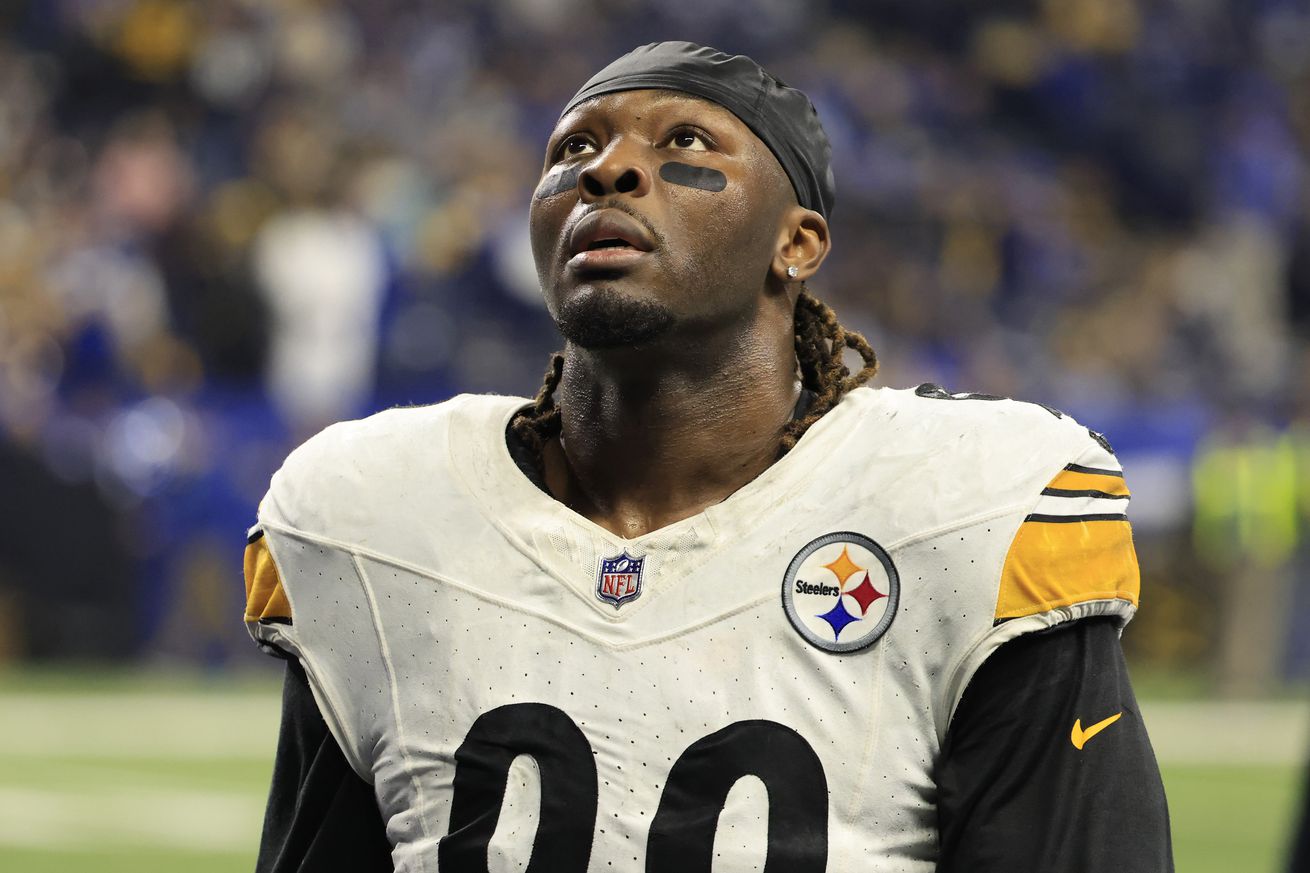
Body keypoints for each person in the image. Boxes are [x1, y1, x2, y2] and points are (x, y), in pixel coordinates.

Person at [243, 41, 1173, 872]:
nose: (608, 172)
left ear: (796, 242)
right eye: (572, 150)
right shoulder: (376, 516)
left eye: (683, 145)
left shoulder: (964, 504)